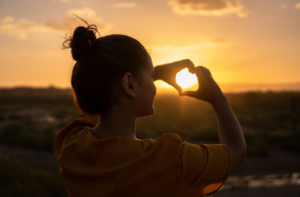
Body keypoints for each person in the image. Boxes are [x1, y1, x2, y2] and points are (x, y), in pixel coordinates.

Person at [54, 17, 246, 197]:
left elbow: (104, 96)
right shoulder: (169, 161)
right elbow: (236, 150)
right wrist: (218, 99)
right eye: (151, 76)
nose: (154, 83)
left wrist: (146, 75)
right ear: (129, 84)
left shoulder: (71, 143)